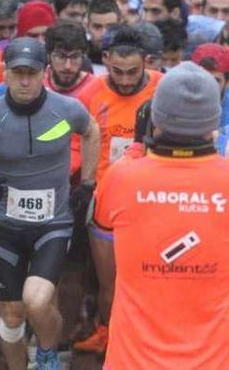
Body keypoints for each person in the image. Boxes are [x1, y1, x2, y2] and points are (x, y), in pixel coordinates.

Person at [0, 39, 100, 370]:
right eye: (17, 73)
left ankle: (47, 351)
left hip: (53, 223)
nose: (24, 81)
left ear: (44, 73)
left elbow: (91, 131)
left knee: (36, 300)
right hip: (6, 226)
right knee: (11, 312)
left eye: (31, 73)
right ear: (4, 73)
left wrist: (88, 183)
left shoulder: (66, 109)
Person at [93, 61, 229, 368]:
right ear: (212, 125)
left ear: (155, 119)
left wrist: (137, 149)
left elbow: (104, 246)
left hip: (132, 361)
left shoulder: (121, 177)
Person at [74, 25, 162, 356]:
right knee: (109, 286)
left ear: (148, 62)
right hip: (104, 199)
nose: (125, 80)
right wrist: (82, 181)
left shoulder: (162, 88)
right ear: (105, 59)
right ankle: (108, 334)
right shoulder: (90, 94)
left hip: (151, 200)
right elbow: (73, 141)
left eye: (133, 72)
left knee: (147, 281)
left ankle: (143, 343)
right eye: (117, 72)